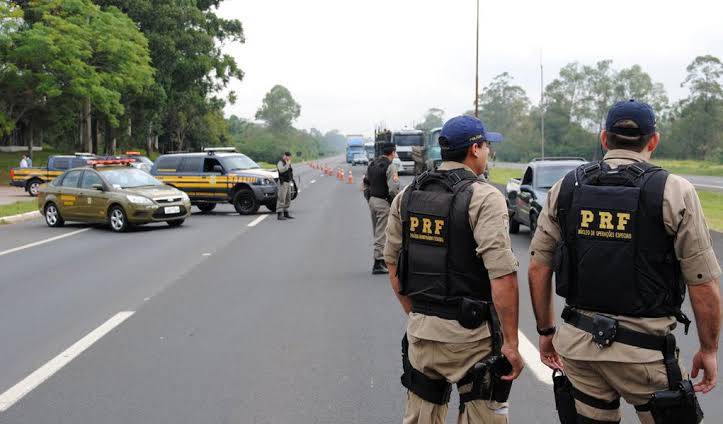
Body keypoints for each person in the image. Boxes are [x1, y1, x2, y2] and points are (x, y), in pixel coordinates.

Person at [528, 99, 721, 424]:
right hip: (645, 354)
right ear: (653, 140)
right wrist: (709, 349)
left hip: (578, 348)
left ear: (604, 139)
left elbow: (538, 267)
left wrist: (546, 332)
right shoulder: (674, 191)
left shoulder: (566, 188)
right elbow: (702, 283)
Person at [384, 115, 523, 424]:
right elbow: (502, 276)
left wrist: (418, 313)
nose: (489, 153)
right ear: (475, 149)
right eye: (487, 146)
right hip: (472, 339)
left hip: (422, 332)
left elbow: (392, 263)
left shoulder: (407, 196)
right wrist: (511, 344)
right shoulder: (485, 197)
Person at [363, 142, 400, 274]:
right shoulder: (390, 166)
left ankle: (381, 259)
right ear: (393, 153)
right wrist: (394, 203)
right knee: (382, 232)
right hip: (383, 202)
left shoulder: (372, 164)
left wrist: (369, 198)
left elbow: (365, 183)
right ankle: (378, 263)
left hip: (372, 200)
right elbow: (394, 189)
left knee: (377, 230)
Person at [276, 152, 294, 221]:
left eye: (289, 157)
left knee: (288, 198)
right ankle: (279, 214)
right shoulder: (280, 162)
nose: (288, 158)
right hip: (282, 182)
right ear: (284, 156)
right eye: (287, 156)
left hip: (288, 182)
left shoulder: (288, 163)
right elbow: (281, 170)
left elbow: (290, 172)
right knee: (281, 198)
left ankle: (286, 212)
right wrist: (287, 164)